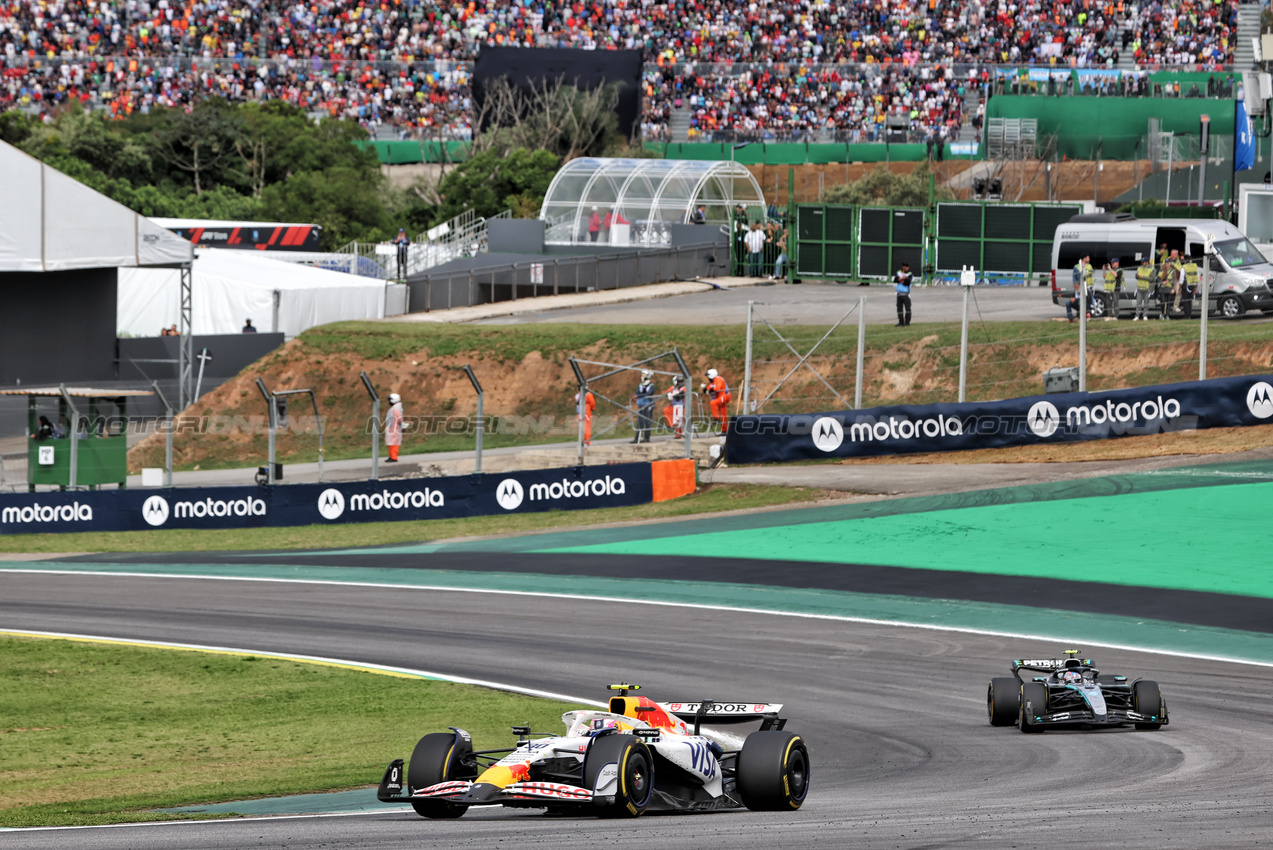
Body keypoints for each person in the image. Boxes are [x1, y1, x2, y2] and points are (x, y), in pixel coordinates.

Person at [702, 368, 731, 435]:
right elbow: (709, 388)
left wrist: (710, 390)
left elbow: (717, 388)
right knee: (723, 414)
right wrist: (705, 389)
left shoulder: (718, 379)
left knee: (713, 403)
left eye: (708, 376)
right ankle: (724, 430)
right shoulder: (713, 382)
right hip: (721, 398)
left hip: (725, 396)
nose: (708, 378)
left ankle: (716, 418)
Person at [632, 370, 656, 444]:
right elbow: (637, 392)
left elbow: (648, 394)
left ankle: (647, 438)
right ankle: (637, 438)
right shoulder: (641, 385)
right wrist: (634, 395)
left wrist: (638, 396)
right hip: (641, 405)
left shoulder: (651, 386)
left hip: (648, 405)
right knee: (640, 422)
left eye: (644, 375)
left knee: (647, 422)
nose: (642, 376)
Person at [1134, 257, 1155, 321]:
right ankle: (1137, 316)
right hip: (1139, 287)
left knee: (1146, 303)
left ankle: (1145, 315)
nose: (1142, 263)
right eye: (1142, 262)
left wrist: (1143, 277)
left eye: (1143, 262)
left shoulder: (1152, 269)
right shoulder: (1139, 268)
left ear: (1147, 262)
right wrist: (1137, 276)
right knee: (1138, 303)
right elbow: (1136, 276)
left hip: (1147, 288)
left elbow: (1152, 279)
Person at [385, 392, 404, 461]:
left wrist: (402, 425)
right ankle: (391, 456)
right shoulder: (395, 407)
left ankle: (394, 457)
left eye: (390, 400)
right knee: (390, 443)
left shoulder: (396, 408)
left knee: (394, 443)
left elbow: (399, 418)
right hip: (391, 428)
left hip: (394, 428)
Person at [894, 261, 913, 327]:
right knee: (899, 309)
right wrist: (902, 279)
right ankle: (901, 322)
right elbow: (895, 280)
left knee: (907, 308)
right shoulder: (898, 272)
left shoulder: (910, 274)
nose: (906, 268)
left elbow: (907, 282)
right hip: (899, 293)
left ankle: (907, 322)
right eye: (905, 267)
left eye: (907, 267)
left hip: (906, 294)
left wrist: (901, 280)